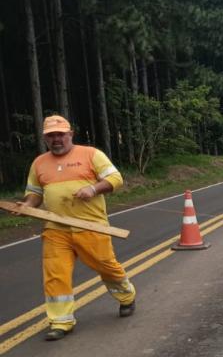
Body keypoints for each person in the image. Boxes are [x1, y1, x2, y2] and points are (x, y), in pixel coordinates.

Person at [17, 115, 136, 341]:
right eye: (51, 136)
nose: (56, 139)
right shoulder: (39, 163)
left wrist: (93, 189)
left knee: (106, 266)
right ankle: (61, 321)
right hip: (55, 229)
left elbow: (115, 178)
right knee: (55, 274)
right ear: (45, 139)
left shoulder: (91, 154)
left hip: (90, 226)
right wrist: (27, 205)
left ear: (70, 134)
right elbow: (34, 193)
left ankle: (126, 296)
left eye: (60, 134)